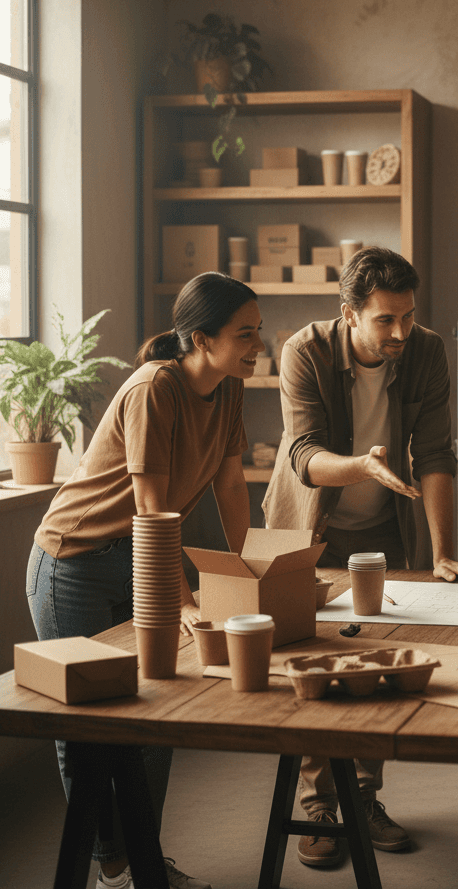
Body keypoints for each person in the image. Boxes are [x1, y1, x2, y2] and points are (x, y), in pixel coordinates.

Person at [26, 271, 262, 889]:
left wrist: (246, 571)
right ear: (201, 338)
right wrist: (184, 600)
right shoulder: (154, 388)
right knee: (88, 718)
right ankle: (113, 867)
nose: (258, 344)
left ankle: (139, 860)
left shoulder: (230, 386)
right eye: (245, 334)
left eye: (258, 331)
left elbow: (231, 484)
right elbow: (151, 512)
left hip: (140, 553)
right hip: (75, 560)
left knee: (155, 712)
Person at [262, 245, 458, 868]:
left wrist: (443, 552)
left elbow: (438, 453)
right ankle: (318, 808)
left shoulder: (425, 349)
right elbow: (305, 455)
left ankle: (362, 796)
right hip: (312, 524)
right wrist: (362, 465)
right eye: (384, 320)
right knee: (316, 663)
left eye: (407, 316)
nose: (399, 331)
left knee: (375, 657)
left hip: (387, 527)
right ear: (349, 314)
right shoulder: (304, 350)